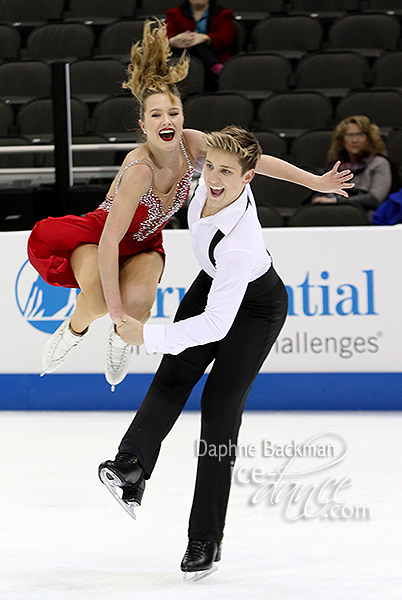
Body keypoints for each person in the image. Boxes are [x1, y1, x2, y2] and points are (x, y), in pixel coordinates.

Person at [27, 19, 353, 391]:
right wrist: (116, 317)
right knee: (101, 301)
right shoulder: (138, 170)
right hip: (98, 238)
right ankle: (73, 330)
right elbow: (108, 242)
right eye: (156, 116)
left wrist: (314, 180)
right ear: (143, 125)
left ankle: (119, 340)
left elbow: (250, 160)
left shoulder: (193, 144)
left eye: (173, 113)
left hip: (145, 243)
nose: (167, 121)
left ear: (182, 117)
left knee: (140, 306)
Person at [98, 126, 354, 580]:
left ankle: (205, 539)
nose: (214, 178)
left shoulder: (239, 243)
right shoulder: (208, 180)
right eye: (210, 166)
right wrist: (314, 181)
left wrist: (149, 334)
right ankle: (132, 466)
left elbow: (217, 325)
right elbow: (262, 160)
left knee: (218, 408)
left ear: (247, 179)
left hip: (256, 308)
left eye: (226, 172)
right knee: (175, 372)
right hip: (212, 283)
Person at [311, 115, 392, 215]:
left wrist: (337, 202)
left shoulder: (379, 163)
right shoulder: (336, 165)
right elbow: (322, 194)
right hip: (334, 214)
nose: (354, 140)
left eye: (360, 135)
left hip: (366, 216)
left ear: (369, 138)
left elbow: (375, 199)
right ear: (342, 140)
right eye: (350, 135)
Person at [166, 0, 235, 77]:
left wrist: (205, 38)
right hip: (181, 55)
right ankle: (215, 67)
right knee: (191, 42)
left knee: (195, 43)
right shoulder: (174, 13)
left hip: (213, 53)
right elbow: (165, 36)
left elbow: (226, 39)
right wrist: (173, 41)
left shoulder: (224, 14)